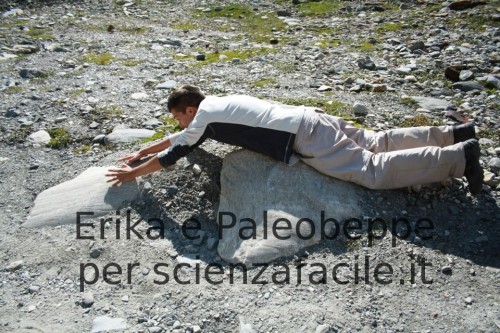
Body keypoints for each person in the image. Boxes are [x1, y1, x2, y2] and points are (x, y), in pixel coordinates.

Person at [106, 85, 483, 195]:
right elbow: (180, 138)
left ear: (188, 109)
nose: (179, 122)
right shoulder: (217, 104)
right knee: (377, 141)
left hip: (303, 136)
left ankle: (460, 158)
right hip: (309, 116)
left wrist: (133, 173)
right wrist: (143, 149)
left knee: (371, 170)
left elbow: (179, 150)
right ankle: (454, 133)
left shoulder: (202, 119)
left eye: (177, 116)